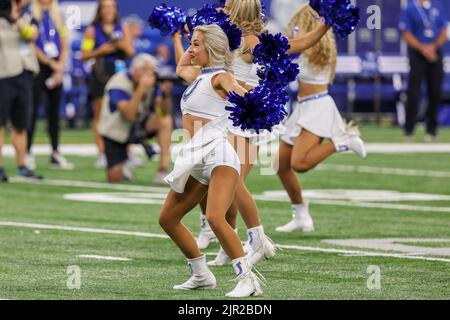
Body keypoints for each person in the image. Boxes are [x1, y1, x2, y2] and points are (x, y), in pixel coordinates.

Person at [198, 0, 333, 266]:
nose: (223, 6)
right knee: (224, 182)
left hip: (244, 119)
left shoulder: (250, 41)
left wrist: (325, 26)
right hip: (226, 115)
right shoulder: (228, 34)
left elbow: (296, 46)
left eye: (229, 5)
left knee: (233, 182)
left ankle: (258, 241)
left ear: (239, 10)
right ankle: (230, 245)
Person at [159, 24, 265, 298]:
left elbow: (243, 95)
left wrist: (256, 98)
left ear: (213, 50)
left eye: (195, 44)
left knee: (216, 217)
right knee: (168, 219)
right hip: (196, 156)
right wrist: (189, 36)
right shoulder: (197, 77)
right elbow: (182, 65)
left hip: (218, 154)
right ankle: (201, 274)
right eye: (190, 43)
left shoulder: (220, 76)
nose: (190, 49)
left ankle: (247, 279)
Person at [275, 4, 367, 233]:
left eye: (298, 27)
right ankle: (301, 215)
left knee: (299, 163)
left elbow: (296, 50)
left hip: (318, 107)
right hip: (303, 108)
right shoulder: (303, 49)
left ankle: (343, 141)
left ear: (310, 27)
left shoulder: (318, 51)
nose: (294, 31)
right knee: (281, 165)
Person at [98, 53, 172, 183]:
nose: (151, 75)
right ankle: (123, 164)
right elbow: (129, 115)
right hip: (115, 131)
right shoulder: (118, 84)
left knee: (164, 121)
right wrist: (141, 89)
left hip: (138, 124)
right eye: (147, 71)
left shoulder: (151, 82)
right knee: (114, 177)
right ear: (136, 70)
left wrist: (165, 94)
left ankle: (163, 169)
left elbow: (165, 112)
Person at [81, 0, 135, 168]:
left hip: (119, 73)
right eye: (105, 7)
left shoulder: (122, 27)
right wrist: (101, 50)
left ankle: (127, 152)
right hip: (100, 73)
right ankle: (102, 152)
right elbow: (84, 54)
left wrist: (120, 44)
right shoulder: (92, 29)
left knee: (123, 113)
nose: (108, 11)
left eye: (111, 7)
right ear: (100, 10)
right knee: (99, 113)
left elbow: (131, 51)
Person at [26, 0, 73, 170]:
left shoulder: (58, 15)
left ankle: (55, 151)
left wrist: (60, 65)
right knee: (31, 111)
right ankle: (27, 151)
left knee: (54, 113)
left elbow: (64, 42)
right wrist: (49, 63)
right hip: (38, 66)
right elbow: (31, 43)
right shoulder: (31, 15)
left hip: (56, 67)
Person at [0, 0, 43, 182]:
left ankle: (22, 165)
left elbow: (32, 35)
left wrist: (16, 17)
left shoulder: (27, 16)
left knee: (21, 123)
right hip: (3, 73)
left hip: (24, 73)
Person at [400, 0, 447, 142]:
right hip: (417, 54)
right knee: (414, 91)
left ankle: (432, 130)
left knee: (435, 91)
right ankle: (409, 130)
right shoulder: (410, 8)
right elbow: (406, 34)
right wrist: (422, 48)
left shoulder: (438, 7)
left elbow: (443, 31)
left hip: (435, 52)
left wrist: (434, 46)